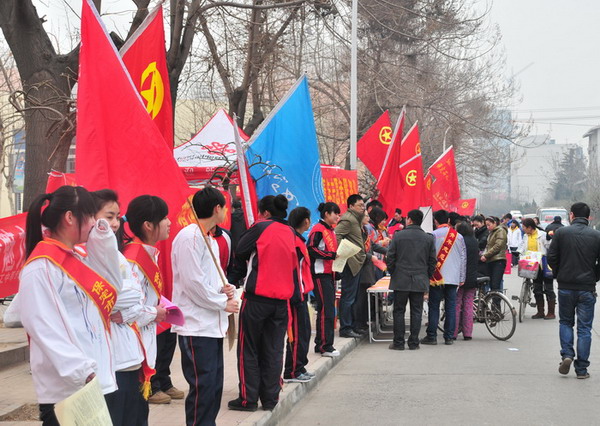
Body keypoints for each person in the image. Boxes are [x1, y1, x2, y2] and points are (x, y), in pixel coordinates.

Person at [19, 186, 117, 425]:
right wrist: (81, 371)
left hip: (92, 381)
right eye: (91, 215)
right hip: (69, 389)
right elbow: (44, 327)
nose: (94, 222)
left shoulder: (78, 257)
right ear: (70, 217)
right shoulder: (41, 267)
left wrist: (103, 238)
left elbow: (113, 285)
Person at [171, 187, 239, 425]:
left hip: (210, 325)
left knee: (213, 387)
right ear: (217, 208)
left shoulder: (208, 238)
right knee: (203, 387)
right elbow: (193, 284)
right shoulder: (190, 237)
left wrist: (225, 290)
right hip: (196, 326)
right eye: (225, 207)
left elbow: (209, 279)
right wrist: (223, 303)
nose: (227, 212)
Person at [228, 195, 297, 411]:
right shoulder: (291, 231)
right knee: (274, 350)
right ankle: (270, 398)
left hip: (257, 299)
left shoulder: (260, 227)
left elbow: (240, 249)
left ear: (265, 212)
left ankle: (248, 399)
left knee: (248, 349)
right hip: (281, 301)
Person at [91, 189, 150, 426]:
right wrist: (127, 296)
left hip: (130, 355)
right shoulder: (85, 254)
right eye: (109, 216)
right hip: (109, 361)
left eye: (117, 217)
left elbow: (137, 296)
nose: (115, 223)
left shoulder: (118, 254)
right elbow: (106, 296)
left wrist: (126, 308)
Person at [121, 196, 172, 404]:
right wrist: (155, 312)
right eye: (164, 218)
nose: (169, 222)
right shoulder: (132, 260)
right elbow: (126, 312)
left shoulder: (148, 253)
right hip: (132, 349)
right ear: (148, 225)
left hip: (143, 344)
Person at [548, 202, 600, 379]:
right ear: (588, 217)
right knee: (584, 329)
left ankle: (567, 354)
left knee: (565, 322)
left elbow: (552, 256)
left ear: (571, 215)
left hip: (566, 286)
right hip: (587, 287)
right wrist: (594, 277)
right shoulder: (596, 235)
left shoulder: (561, 233)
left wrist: (558, 273)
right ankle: (582, 369)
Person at [386, 209, 436, 350]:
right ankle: (414, 342)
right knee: (416, 311)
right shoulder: (428, 238)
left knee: (399, 310)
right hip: (420, 279)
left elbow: (390, 257)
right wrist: (427, 275)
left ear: (409, 220)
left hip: (400, 278)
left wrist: (393, 272)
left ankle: (398, 342)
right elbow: (432, 261)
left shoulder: (398, 236)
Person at [422, 210, 466, 345]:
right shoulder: (459, 236)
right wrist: (462, 277)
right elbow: (463, 258)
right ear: (448, 220)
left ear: (435, 221)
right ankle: (448, 337)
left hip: (436, 277)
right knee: (451, 307)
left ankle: (432, 336)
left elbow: (427, 257)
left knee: (434, 306)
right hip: (453, 277)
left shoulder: (432, 235)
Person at [284, 207, 315, 383]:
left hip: (302, 292)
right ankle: (292, 371)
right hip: (296, 294)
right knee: (297, 333)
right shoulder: (294, 242)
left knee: (304, 332)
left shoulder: (299, 240)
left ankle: (300, 366)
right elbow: (292, 270)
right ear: (306, 221)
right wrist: (296, 294)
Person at [308, 202, 340, 357]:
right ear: (326, 213)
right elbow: (311, 249)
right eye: (335, 213)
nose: (337, 217)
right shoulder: (318, 229)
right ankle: (324, 346)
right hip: (320, 274)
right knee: (326, 310)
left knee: (327, 309)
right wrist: (331, 255)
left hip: (329, 273)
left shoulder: (330, 230)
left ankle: (322, 344)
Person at [335, 194, 367, 338]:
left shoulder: (356, 219)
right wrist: (346, 253)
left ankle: (353, 325)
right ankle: (345, 328)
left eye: (363, 205)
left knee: (354, 297)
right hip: (351, 263)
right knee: (348, 297)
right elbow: (336, 235)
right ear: (351, 206)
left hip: (358, 262)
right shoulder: (348, 219)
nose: (363, 208)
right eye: (360, 205)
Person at [354, 207, 388, 334]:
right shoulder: (357, 230)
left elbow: (372, 245)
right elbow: (357, 250)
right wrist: (370, 257)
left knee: (364, 297)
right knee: (360, 297)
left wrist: (388, 251)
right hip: (360, 267)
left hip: (368, 267)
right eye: (366, 216)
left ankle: (363, 323)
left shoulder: (364, 229)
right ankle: (358, 324)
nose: (368, 218)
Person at [519, 218, 555, 319]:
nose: (523, 229)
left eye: (524, 227)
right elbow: (522, 247)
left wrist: (549, 239)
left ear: (530, 227)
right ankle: (540, 311)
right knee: (537, 289)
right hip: (533, 266)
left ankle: (551, 312)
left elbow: (549, 246)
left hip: (544, 265)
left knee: (548, 289)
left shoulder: (542, 235)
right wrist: (518, 252)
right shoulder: (526, 236)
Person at [453, 222, 480, 341]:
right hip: (472, 277)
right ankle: (468, 333)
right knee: (468, 305)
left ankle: (453, 332)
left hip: (460, 277)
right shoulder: (474, 241)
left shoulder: (459, 240)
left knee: (456, 304)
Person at [480, 216, 507, 292]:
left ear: (494, 223)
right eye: (486, 225)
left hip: (498, 260)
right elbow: (488, 246)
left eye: (489, 225)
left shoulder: (500, 231)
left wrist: (486, 255)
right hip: (491, 260)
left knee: (495, 285)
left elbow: (498, 246)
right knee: (491, 284)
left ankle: (496, 299)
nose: (487, 227)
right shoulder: (492, 233)